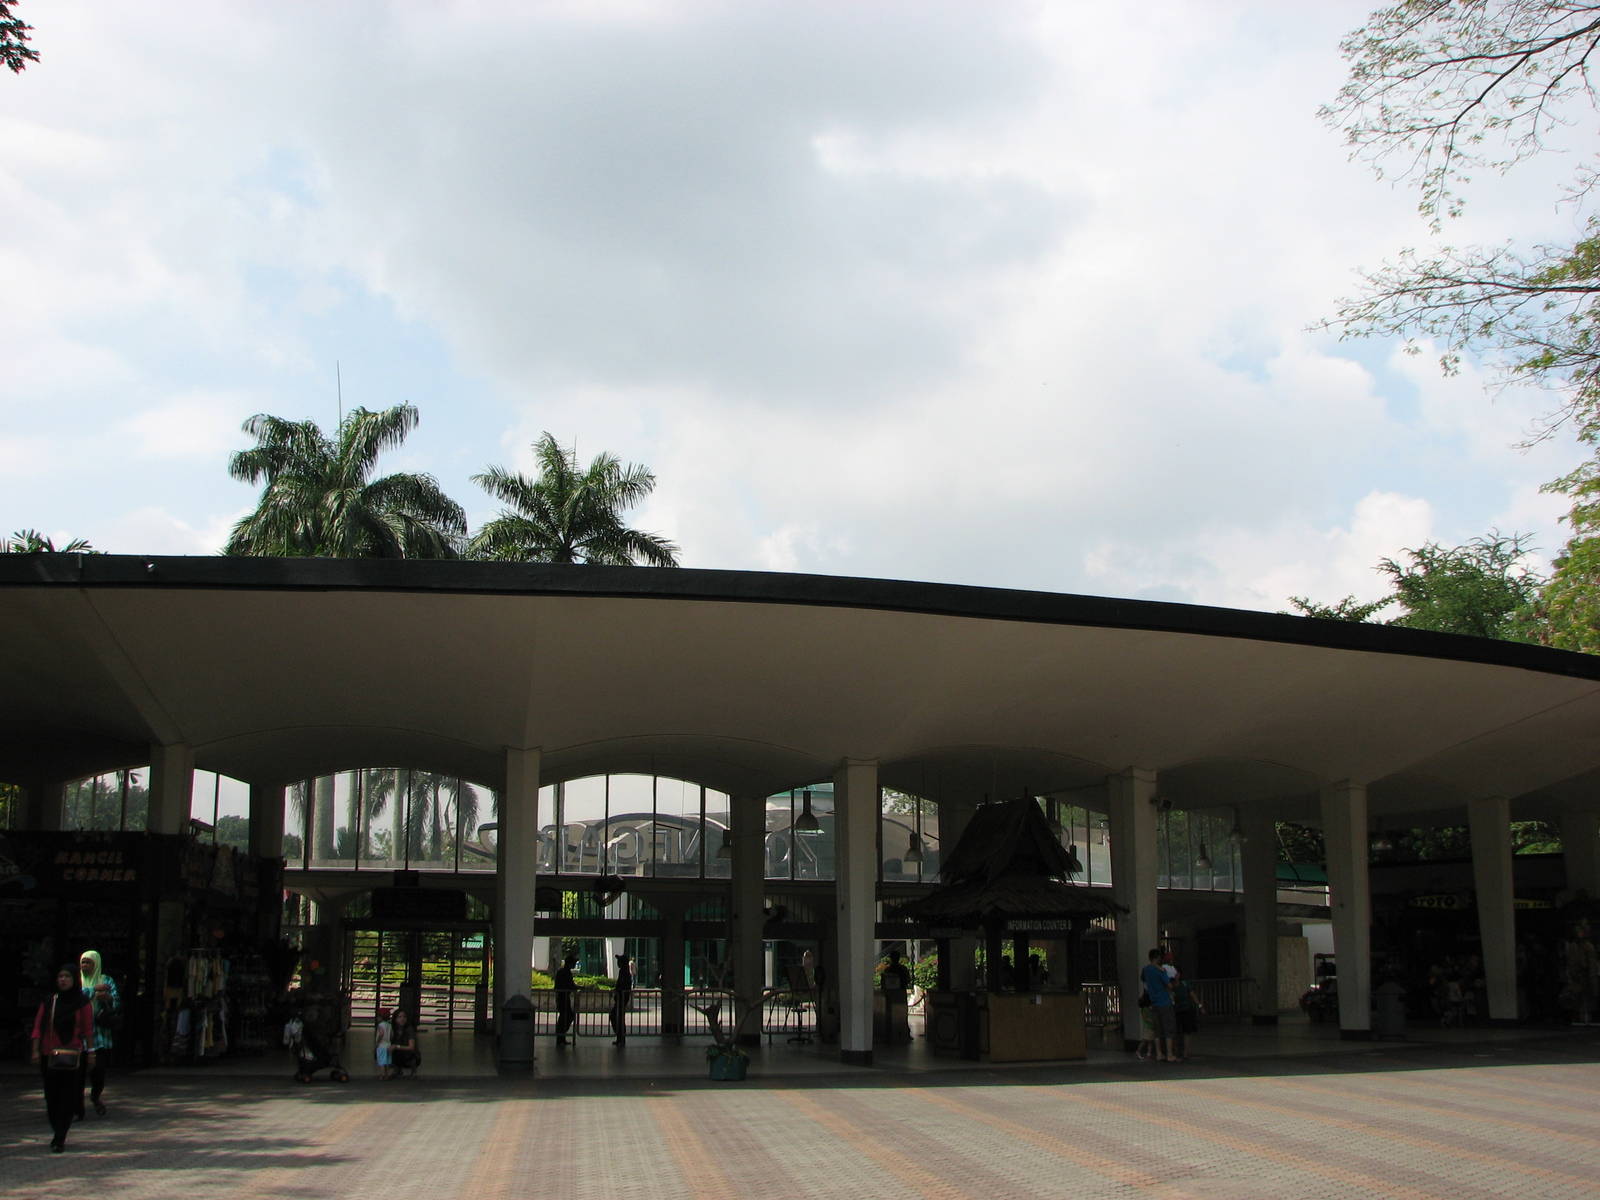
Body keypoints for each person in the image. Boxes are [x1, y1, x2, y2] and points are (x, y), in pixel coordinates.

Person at [32, 964, 94, 1153]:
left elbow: (88, 1029)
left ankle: (60, 1137)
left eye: (67, 976)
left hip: (72, 1056)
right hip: (49, 1054)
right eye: (60, 976)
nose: (63, 980)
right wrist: (35, 1050)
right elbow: (38, 1027)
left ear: (74, 979)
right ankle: (56, 1129)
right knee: (51, 1097)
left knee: (68, 1096)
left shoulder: (82, 1002)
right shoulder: (50, 1001)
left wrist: (91, 1052)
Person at [77, 949, 119, 1117]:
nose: (85, 965)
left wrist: (108, 998)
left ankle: (95, 1096)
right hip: (78, 1035)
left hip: (99, 1033)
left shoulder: (106, 980)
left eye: (89, 962)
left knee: (99, 1071)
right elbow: (74, 999)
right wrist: (93, 989)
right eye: (83, 962)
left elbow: (116, 1003)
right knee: (77, 1072)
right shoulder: (76, 981)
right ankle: (77, 1107)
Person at [1140, 947, 1179, 1063]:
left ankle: (1158, 1053)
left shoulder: (1146, 970)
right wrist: (1175, 980)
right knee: (1168, 1029)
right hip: (1164, 1001)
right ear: (1157, 958)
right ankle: (1170, 1054)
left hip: (1153, 1002)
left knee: (1157, 1029)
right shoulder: (1160, 971)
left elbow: (1143, 979)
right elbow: (1169, 985)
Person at [1171, 968, 1204, 1060]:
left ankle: (1185, 1052)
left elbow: (1192, 995)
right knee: (1177, 1032)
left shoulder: (1185, 984)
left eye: (1177, 973)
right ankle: (1177, 1051)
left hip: (1187, 1009)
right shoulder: (1171, 985)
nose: (1176, 975)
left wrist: (1200, 1005)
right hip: (1176, 1010)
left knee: (1187, 1031)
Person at [610, 954, 633, 1046]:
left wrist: (618, 992)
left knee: (616, 1016)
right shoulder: (623, 971)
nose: (617, 963)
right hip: (621, 998)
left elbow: (622, 985)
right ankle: (620, 1037)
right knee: (617, 1016)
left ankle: (621, 1037)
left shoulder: (624, 972)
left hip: (622, 998)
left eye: (619, 961)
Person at [555, 954, 578, 1046]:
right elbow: (570, 985)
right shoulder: (565, 972)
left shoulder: (563, 971)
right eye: (574, 963)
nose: (575, 964)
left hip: (563, 997)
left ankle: (561, 1037)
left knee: (565, 1017)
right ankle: (560, 1037)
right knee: (565, 1017)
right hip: (563, 998)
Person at [390, 1008, 419, 1076]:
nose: (402, 1019)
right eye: (399, 1017)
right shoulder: (393, 1029)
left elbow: (411, 1047)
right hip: (397, 1053)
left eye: (404, 1017)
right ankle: (396, 1068)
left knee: (411, 1055)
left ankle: (413, 1070)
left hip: (408, 1054)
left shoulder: (409, 1029)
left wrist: (397, 1047)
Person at [374, 1007, 393, 1079]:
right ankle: (387, 1074)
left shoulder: (380, 1025)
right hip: (388, 1045)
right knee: (387, 1061)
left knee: (381, 1061)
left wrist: (377, 1042)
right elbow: (391, 1035)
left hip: (381, 1045)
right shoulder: (389, 1025)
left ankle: (382, 1075)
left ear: (380, 1017)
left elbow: (381, 1033)